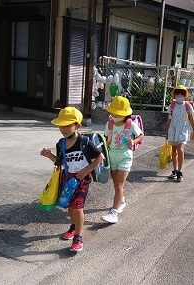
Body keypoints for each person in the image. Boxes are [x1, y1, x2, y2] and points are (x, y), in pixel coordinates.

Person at [40, 107, 104, 252]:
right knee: (69, 206)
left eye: (68, 125)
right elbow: (61, 162)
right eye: (61, 125)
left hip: (82, 179)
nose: (64, 128)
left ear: (77, 126)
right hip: (67, 179)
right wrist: (49, 155)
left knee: (78, 207)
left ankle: (78, 237)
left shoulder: (84, 142)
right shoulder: (61, 143)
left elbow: (100, 157)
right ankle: (74, 226)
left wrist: (87, 170)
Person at [101, 96, 144, 223]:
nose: (113, 115)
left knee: (119, 185)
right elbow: (105, 139)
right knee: (116, 184)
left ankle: (114, 212)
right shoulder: (109, 124)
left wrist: (133, 141)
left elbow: (141, 135)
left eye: (116, 113)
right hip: (112, 156)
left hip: (125, 157)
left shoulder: (131, 125)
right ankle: (122, 200)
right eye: (112, 112)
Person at [165, 85, 194, 182]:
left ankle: (180, 171)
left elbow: (192, 120)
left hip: (183, 130)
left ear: (184, 96)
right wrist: (166, 132)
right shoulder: (172, 106)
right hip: (173, 130)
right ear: (174, 96)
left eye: (181, 94)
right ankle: (174, 170)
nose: (179, 96)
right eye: (177, 94)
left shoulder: (188, 106)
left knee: (180, 149)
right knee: (174, 150)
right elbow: (169, 119)